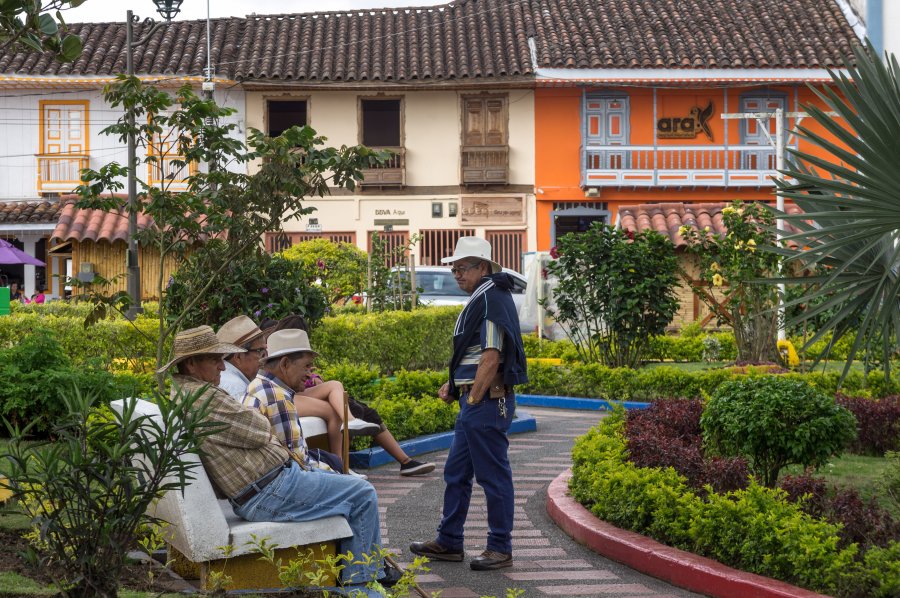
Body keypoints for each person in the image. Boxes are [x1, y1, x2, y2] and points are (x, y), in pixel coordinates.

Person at [160, 326, 396, 595]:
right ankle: (362, 587)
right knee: (362, 494)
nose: (222, 368)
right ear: (191, 364)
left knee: (343, 483)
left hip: (268, 485)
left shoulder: (192, 393)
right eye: (215, 359)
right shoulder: (205, 398)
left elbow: (257, 430)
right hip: (268, 491)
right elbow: (261, 429)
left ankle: (364, 574)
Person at [409, 236, 528, 571]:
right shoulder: (487, 296)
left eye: (463, 268)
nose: (457, 274)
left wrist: (473, 397)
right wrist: (458, 384)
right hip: (476, 402)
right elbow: (477, 357)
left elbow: (491, 357)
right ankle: (449, 541)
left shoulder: (491, 299)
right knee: (457, 473)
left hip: (486, 403)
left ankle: (500, 547)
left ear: (484, 268)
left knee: (493, 476)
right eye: (455, 269)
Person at [270, 315, 436, 477]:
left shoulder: (291, 356)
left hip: (304, 394)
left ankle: (356, 443)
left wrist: (313, 378)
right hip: (293, 396)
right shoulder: (276, 362)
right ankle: (341, 465)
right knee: (341, 409)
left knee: (347, 397)